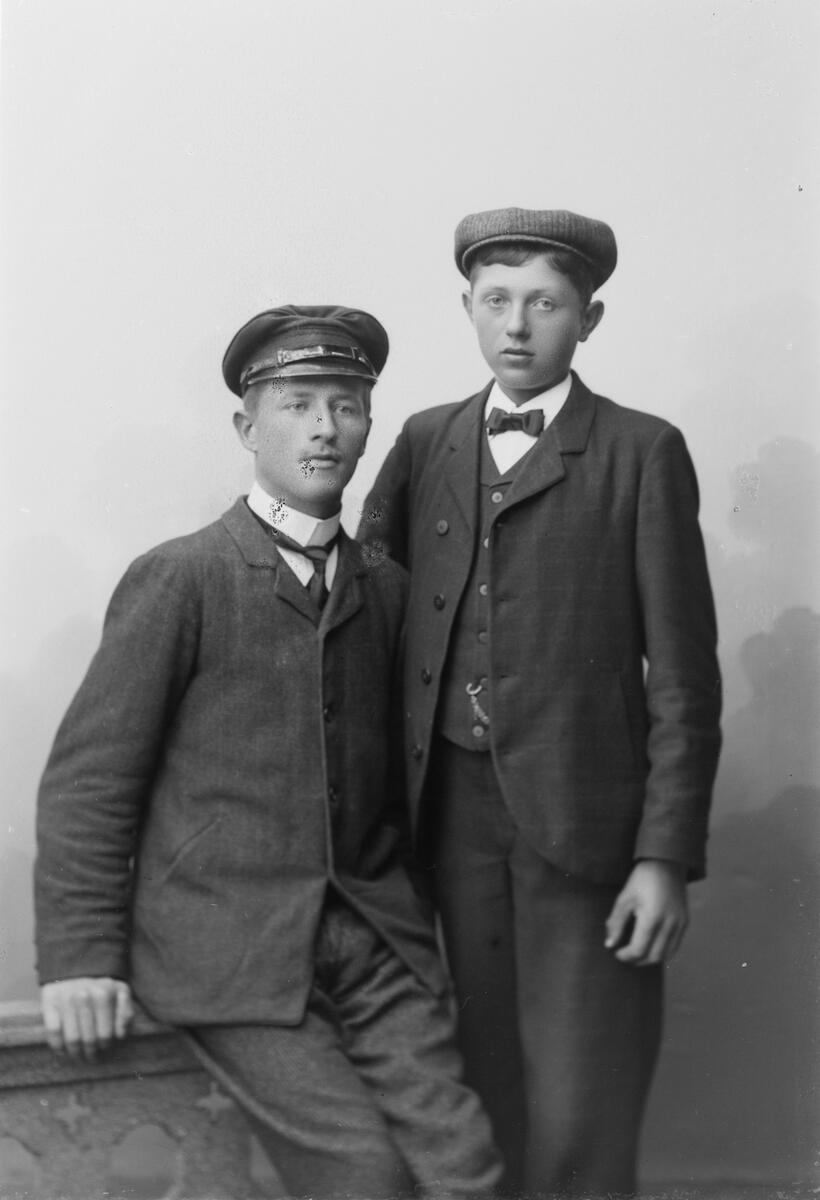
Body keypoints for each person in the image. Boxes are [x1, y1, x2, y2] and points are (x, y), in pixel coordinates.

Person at [34, 305, 502, 1200]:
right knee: (363, 1177)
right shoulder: (183, 577)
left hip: (376, 945)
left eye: (347, 406)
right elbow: (90, 783)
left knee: (465, 1168)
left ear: (368, 425)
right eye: (297, 404)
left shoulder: (391, 591)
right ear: (247, 428)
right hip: (228, 952)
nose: (325, 427)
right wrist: (80, 958)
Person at [357, 209, 723, 1198]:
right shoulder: (425, 440)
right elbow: (372, 624)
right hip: (447, 825)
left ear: (589, 319)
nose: (516, 325)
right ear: (467, 309)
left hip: (584, 826)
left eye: (546, 304)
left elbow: (683, 677)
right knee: (476, 1089)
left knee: (579, 1100)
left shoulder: (641, 451)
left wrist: (662, 858)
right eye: (496, 301)